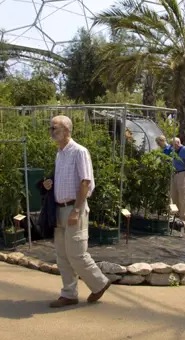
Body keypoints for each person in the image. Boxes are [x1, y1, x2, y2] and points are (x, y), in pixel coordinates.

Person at [44, 115, 110, 308]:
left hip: (74, 208)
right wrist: (50, 184)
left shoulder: (79, 151)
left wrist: (76, 209)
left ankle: (99, 283)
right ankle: (69, 294)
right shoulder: (60, 153)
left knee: (77, 253)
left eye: (54, 128)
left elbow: (85, 182)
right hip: (59, 209)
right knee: (62, 254)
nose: (51, 132)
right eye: (51, 128)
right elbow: (65, 180)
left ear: (66, 130)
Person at [168, 137, 185, 229]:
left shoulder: (184, 149)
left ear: (178, 143)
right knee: (174, 195)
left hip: (182, 173)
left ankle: (183, 217)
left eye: (173, 144)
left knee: (182, 195)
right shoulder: (173, 150)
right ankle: (176, 215)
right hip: (174, 173)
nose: (172, 146)